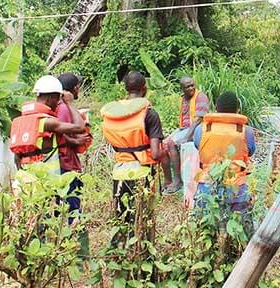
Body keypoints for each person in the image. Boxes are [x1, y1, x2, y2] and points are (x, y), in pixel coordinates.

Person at [100, 72, 164, 235]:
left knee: (121, 219)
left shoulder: (112, 115)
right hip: (143, 173)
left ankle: (120, 253)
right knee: (143, 219)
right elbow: (156, 154)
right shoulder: (150, 114)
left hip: (119, 172)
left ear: (126, 89)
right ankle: (143, 254)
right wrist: (167, 150)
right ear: (144, 88)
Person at [192, 91, 256, 230]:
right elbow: (250, 151)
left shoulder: (201, 129)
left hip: (207, 184)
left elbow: (197, 146)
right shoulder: (247, 131)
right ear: (237, 110)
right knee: (239, 230)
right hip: (237, 187)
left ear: (216, 109)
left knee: (204, 228)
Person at [9, 75, 86, 175]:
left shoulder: (20, 122)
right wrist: (68, 103)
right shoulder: (47, 122)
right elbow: (80, 127)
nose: (58, 102)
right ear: (50, 98)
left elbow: (17, 158)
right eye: (58, 98)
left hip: (26, 177)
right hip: (47, 179)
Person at [55, 72, 92, 259]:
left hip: (64, 163)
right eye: (78, 85)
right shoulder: (63, 108)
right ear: (73, 88)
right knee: (73, 208)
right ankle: (79, 255)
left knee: (65, 208)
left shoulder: (58, 106)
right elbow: (62, 133)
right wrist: (78, 140)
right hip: (67, 164)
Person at [162, 77, 211, 193]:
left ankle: (178, 180)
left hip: (197, 129)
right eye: (188, 87)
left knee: (171, 143)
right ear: (182, 89)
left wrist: (186, 137)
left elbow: (198, 119)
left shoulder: (201, 97)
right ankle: (168, 180)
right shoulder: (183, 99)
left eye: (192, 85)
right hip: (184, 129)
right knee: (163, 143)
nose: (191, 88)